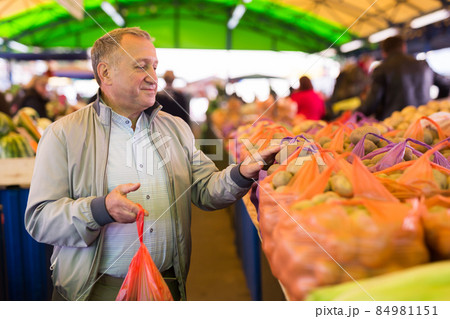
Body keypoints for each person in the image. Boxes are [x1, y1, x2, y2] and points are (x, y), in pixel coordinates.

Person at [24, 27, 279, 301]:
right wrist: (101, 210)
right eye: (140, 66)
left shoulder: (176, 128)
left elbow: (205, 189)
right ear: (105, 73)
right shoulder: (64, 134)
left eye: (155, 66)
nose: (153, 78)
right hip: (96, 293)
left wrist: (241, 173)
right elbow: (40, 219)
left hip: (165, 287)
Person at [359, 35, 450, 120]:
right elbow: (446, 85)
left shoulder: (381, 69)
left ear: (384, 52)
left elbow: (371, 104)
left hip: (394, 127)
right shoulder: (423, 65)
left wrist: (356, 114)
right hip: (425, 121)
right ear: (404, 47)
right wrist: (433, 105)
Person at [325, 54, 374, 120]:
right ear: (365, 62)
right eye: (369, 63)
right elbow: (352, 89)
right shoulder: (357, 71)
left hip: (344, 101)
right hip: (347, 100)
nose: (369, 66)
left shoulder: (359, 71)